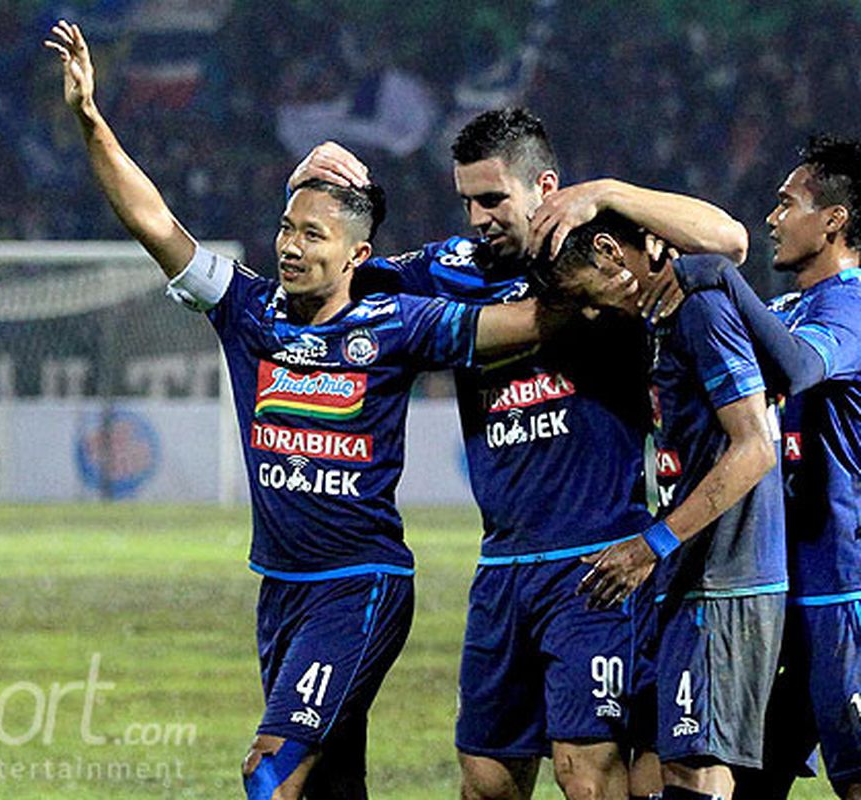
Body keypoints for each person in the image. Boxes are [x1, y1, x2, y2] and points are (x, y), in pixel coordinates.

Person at [44, 21, 544, 799]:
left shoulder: (394, 325)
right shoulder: (249, 312)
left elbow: (518, 326)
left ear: (356, 256)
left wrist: (603, 294)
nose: (290, 245)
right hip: (280, 587)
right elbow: (151, 222)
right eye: (285, 227)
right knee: (327, 786)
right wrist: (90, 118)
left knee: (272, 767)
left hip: (361, 583)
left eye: (312, 234)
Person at [290, 111, 748, 800]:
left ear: (546, 187)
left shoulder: (605, 246)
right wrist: (317, 197)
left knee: (586, 775)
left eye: (493, 199)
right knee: (486, 781)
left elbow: (730, 242)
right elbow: (341, 275)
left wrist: (610, 193)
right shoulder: (450, 271)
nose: (478, 217)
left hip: (596, 557)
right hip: (502, 563)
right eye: (467, 200)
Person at [541, 211, 786, 800]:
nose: (594, 312)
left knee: (697, 776)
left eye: (586, 295)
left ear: (609, 251)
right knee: (678, 772)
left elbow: (755, 449)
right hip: (697, 574)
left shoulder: (700, 310)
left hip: (726, 580)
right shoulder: (661, 322)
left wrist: (654, 545)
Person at [687, 136, 861, 800]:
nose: (771, 218)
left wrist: (724, 276)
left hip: (843, 591)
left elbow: (796, 368)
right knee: (751, 781)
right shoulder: (791, 310)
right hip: (785, 593)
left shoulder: (848, 304)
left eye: (788, 203)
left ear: (834, 220)